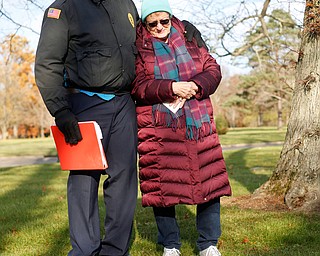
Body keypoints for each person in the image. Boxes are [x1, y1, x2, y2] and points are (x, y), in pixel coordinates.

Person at [34, 0, 207, 255]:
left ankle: (115, 249)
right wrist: (60, 110)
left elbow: (148, 31)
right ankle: (84, 249)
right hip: (84, 102)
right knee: (84, 179)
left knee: (124, 180)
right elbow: (47, 62)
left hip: (125, 102)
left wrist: (183, 27)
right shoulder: (63, 9)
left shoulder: (124, 3)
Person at [132, 1, 232, 256]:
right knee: (163, 187)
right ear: (145, 24)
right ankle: (170, 245)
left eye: (163, 21)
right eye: (152, 23)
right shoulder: (138, 47)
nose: (159, 27)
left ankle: (208, 243)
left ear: (170, 17)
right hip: (159, 127)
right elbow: (137, 85)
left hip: (197, 124)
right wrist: (171, 88)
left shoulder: (189, 37)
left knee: (208, 182)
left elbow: (212, 69)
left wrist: (195, 85)